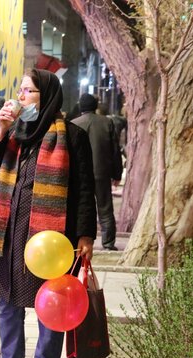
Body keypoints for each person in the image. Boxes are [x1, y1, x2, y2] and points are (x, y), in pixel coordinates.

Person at [0, 69, 96, 358]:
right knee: (7, 304)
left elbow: (86, 189)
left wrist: (85, 235)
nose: (21, 97)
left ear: (46, 96)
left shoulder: (71, 136)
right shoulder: (15, 132)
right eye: (20, 90)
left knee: (52, 305)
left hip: (53, 240)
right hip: (13, 236)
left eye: (28, 91)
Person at [72, 93, 123, 251]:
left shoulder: (74, 124)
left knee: (79, 207)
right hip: (102, 172)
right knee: (105, 209)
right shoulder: (107, 122)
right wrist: (117, 174)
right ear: (95, 106)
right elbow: (115, 151)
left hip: (80, 176)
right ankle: (108, 243)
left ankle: (77, 240)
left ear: (81, 106)